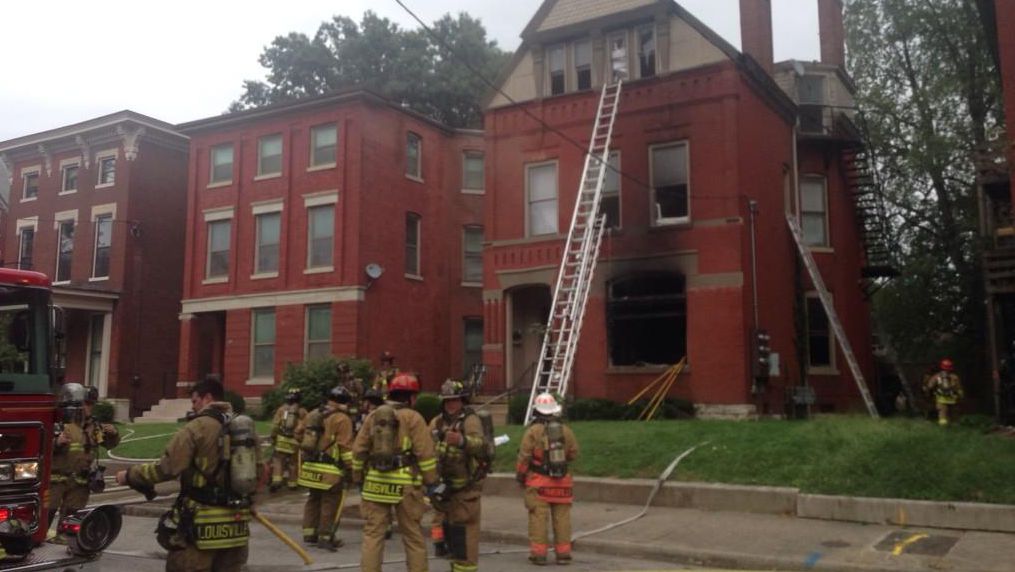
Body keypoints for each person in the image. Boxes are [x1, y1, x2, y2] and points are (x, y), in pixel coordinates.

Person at [116, 378, 260, 572]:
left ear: (207, 398)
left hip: (200, 529)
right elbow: (260, 471)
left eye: (194, 401)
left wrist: (130, 475)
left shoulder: (196, 428)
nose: (193, 406)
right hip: (237, 529)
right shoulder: (245, 430)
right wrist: (251, 503)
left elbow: (167, 468)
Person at [352, 372, 438, 572]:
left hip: (375, 483)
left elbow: (358, 450)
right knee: (413, 536)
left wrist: (358, 478)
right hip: (405, 484)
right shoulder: (414, 417)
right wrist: (431, 482)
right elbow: (425, 454)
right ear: (411, 397)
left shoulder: (373, 416)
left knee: (373, 535)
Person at [428, 380, 492, 570]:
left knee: (465, 534)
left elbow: (482, 446)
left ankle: (466, 567)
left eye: (454, 400)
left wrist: (462, 441)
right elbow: (426, 445)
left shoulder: (470, 420)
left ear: (462, 400)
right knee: (451, 532)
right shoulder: (438, 421)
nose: (450, 404)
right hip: (445, 488)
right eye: (447, 400)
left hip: (466, 489)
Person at [47, 383, 119, 543]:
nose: (88, 407)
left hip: (80, 481)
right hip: (56, 479)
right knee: (47, 511)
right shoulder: (59, 422)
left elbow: (108, 444)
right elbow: (40, 447)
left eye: (91, 404)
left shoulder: (93, 426)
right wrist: (56, 442)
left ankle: (64, 541)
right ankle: (34, 541)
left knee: (73, 515)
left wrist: (113, 434)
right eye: (86, 403)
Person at [516, 393, 579, 566]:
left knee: (538, 519)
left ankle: (539, 555)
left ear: (536, 411)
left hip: (539, 483)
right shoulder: (566, 430)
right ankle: (563, 555)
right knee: (562, 519)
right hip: (562, 483)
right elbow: (573, 453)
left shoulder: (532, 432)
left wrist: (520, 476)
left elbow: (524, 457)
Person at [298, 385, 355, 551]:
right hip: (330, 470)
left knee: (313, 498)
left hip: (310, 467)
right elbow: (345, 447)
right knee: (330, 502)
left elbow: (298, 433)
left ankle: (309, 533)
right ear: (344, 402)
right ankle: (325, 537)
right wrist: (351, 468)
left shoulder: (313, 414)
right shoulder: (342, 419)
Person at [270, 387, 307, 492]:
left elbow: (275, 426)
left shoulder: (281, 409)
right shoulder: (302, 411)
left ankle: (277, 481)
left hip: (281, 439)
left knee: (278, 460)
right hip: (294, 441)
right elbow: (306, 426)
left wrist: (273, 437)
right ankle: (292, 484)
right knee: (293, 463)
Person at [925, 358, 964, 426]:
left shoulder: (937, 376)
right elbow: (959, 389)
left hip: (941, 399)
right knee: (954, 415)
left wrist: (928, 394)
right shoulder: (954, 377)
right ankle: (955, 427)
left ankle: (943, 427)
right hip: (953, 400)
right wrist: (961, 396)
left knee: (942, 415)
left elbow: (929, 386)